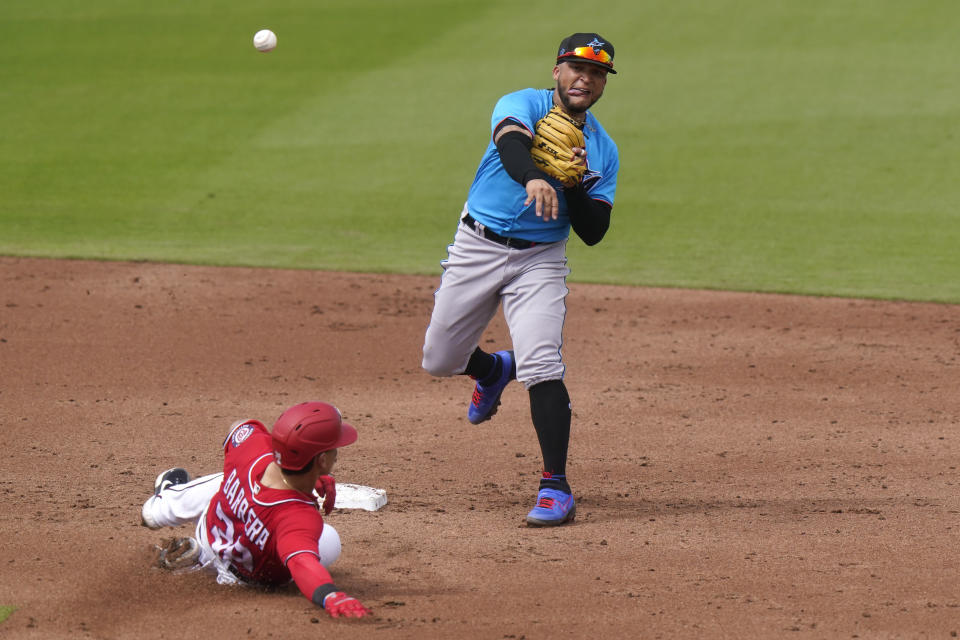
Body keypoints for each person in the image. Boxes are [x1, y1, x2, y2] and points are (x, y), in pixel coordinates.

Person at [421, 33, 619, 527]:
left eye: (596, 73)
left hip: (540, 261)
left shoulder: (602, 150)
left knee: (542, 364)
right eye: (576, 68)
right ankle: (490, 370)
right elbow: (511, 145)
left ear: (603, 84)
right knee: (439, 360)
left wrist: (571, 184)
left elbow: (594, 231)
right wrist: (534, 175)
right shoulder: (522, 104)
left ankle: (556, 486)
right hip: (476, 245)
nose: (585, 79)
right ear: (557, 71)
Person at [140, 401, 371, 619]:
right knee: (330, 539)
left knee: (228, 477)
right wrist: (329, 595)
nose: (337, 450)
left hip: (211, 527)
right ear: (321, 460)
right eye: (333, 449)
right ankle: (196, 560)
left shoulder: (255, 448)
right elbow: (302, 563)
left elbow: (239, 427)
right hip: (239, 578)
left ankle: (162, 506)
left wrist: (309, 476)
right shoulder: (298, 518)